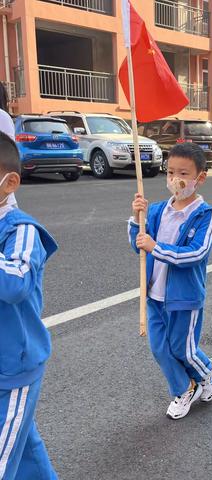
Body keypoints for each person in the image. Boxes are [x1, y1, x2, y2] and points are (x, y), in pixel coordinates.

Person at [128, 143, 212, 420]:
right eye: (170, 172)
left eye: (183, 173)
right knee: (159, 347)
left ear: (200, 178)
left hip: (185, 296)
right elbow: (139, 247)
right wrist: (137, 219)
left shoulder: (205, 216)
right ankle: (184, 388)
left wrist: (155, 246)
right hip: (155, 294)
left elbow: (196, 253)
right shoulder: (157, 211)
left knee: (183, 348)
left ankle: (209, 372)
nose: (175, 179)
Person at [0, 132, 58, 479]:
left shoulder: (22, 230)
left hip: (14, 366)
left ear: (10, 183)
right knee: (24, 448)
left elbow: (16, 283)